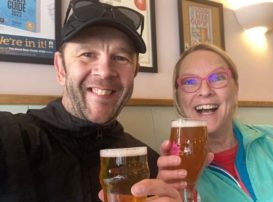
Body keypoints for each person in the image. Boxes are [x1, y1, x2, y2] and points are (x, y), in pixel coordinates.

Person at [0, 0, 181, 201]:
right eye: (87, 54)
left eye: (121, 57)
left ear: (135, 72)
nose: (104, 71)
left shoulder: (150, 165)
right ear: (61, 68)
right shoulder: (11, 137)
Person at [157, 43, 273, 201]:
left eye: (218, 78)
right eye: (190, 82)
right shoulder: (173, 175)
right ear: (178, 98)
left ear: (236, 90)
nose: (205, 91)